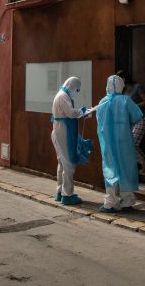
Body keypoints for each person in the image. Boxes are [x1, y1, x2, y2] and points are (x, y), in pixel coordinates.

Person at [96, 74, 143, 213]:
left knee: (110, 168)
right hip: (124, 140)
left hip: (107, 141)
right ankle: (127, 201)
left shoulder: (102, 102)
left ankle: (110, 202)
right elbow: (137, 116)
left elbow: (99, 121)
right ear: (121, 86)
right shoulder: (126, 100)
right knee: (126, 168)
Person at [51, 76, 89, 205]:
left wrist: (81, 112)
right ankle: (67, 194)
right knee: (68, 163)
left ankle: (60, 192)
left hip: (59, 130)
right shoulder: (63, 96)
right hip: (63, 131)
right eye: (77, 90)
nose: (77, 92)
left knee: (62, 163)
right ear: (72, 86)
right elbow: (71, 113)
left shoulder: (61, 95)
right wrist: (82, 111)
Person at [117, 70, 145, 172]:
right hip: (129, 121)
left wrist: (134, 106)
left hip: (141, 119)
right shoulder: (123, 91)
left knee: (132, 143)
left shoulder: (137, 87)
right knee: (125, 144)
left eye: (118, 79)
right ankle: (133, 166)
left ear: (124, 79)